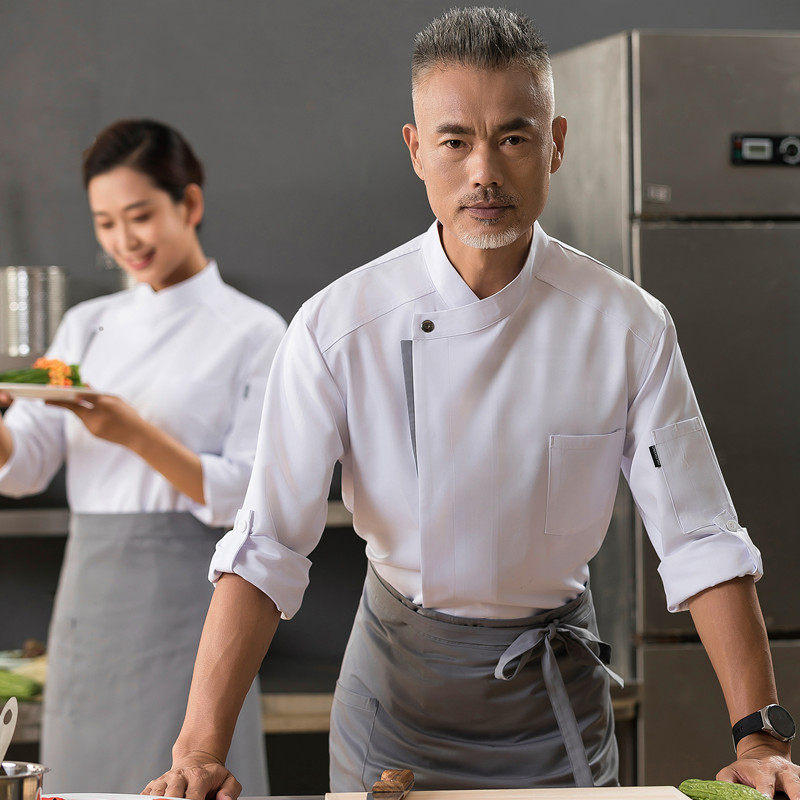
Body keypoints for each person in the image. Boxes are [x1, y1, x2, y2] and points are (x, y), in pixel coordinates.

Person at [145, 9, 799, 799]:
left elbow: (701, 539)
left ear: (555, 143)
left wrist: (760, 739)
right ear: (417, 151)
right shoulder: (337, 327)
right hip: (394, 703)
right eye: (455, 140)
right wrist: (198, 747)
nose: (484, 171)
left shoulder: (627, 324)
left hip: (553, 703)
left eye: (513, 138)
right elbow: (267, 547)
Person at [0, 119, 285, 795]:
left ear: (189, 204)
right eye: (105, 223)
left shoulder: (254, 331)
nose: (124, 241)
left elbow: (248, 495)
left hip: (198, 604)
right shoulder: (85, 324)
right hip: (89, 605)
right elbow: (29, 461)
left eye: (140, 216)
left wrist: (134, 434)